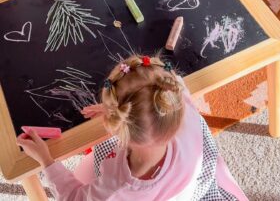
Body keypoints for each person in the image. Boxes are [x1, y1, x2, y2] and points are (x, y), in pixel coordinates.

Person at [17, 55, 249, 200]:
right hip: (187, 184)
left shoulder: (118, 185)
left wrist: (46, 161)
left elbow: (72, 197)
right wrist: (117, 109)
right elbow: (172, 81)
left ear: (118, 127)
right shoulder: (179, 101)